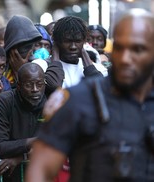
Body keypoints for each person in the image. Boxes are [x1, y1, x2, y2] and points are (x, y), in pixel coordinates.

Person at [26, 9, 154, 182]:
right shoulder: (78, 99)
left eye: (137, 49)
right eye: (119, 48)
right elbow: (41, 168)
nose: (125, 58)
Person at [0, 63, 47, 182]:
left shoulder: (51, 103)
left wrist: (21, 157)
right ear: (19, 85)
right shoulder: (4, 101)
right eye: (29, 85)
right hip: (10, 176)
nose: (35, 90)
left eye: (39, 84)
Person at [3, 15, 64, 95]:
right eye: (26, 47)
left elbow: (52, 88)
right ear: (13, 48)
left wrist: (20, 71)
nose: (31, 52)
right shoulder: (0, 69)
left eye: (32, 46)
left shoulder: (43, 66)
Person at [51, 16, 107, 88]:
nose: (73, 47)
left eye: (78, 41)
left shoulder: (100, 69)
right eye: (67, 41)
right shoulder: (43, 67)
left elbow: (100, 88)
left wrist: (85, 56)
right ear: (57, 41)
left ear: (84, 41)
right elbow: (54, 85)